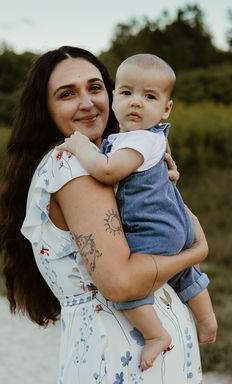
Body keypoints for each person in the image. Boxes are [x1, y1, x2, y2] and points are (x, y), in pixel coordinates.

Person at [0, 46, 209, 384]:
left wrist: (158, 190)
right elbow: (120, 284)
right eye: (67, 94)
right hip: (123, 360)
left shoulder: (105, 158)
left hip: (142, 357)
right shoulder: (73, 166)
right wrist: (196, 253)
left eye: (94, 88)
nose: (87, 102)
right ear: (44, 108)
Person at [58, 53, 217, 370]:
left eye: (149, 96)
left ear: (165, 108)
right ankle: (208, 319)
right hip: (172, 224)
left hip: (152, 229)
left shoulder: (140, 141)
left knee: (129, 285)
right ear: (115, 97)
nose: (136, 103)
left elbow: (106, 172)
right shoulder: (143, 138)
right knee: (184, 272)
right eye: (127, 93)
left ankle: (155, 334)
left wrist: (79, 147)